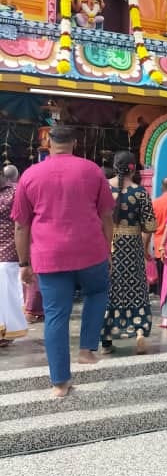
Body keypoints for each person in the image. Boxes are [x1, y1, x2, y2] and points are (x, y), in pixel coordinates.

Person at [12, 125, 114, 397]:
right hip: (91, 251)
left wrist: (24, 264)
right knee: (98, 292)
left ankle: (60, 383)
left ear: (47, 142)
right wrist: (108, 249)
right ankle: (86, 350)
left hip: (49, 255)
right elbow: (106, 215)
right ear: (75, 143)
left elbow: (21, 226)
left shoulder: (30, 175)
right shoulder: (92, 171)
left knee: (56, 315)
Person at [100, 152, 157, 355]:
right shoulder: (140, 192)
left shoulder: (103, 188)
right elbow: (150, 225)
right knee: (137, 289)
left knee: (109, 290)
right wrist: (143, 246)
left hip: (106, 246)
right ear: (134, 168)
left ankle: (106, 339)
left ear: (115, 166)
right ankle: (139, 331)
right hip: (132, 246)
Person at [0, 166, 26, 344]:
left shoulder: (16, 192)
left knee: (8, 294)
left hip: (9, 252)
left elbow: (22, 222)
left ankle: (7, 332)